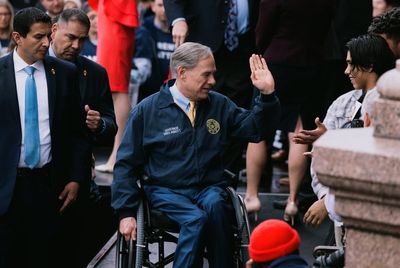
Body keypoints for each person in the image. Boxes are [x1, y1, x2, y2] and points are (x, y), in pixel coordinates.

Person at [112, 42, 280, 268]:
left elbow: (255, 130)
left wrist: (266, 95)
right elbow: (126, 164)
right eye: (206, 74)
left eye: (214, 74)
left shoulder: (219, 105)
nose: (213, 81)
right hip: (165, 191)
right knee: (195, 218)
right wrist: (126, 212)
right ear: (182, 73)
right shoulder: (147, 111)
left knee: (216, 207)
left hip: (208, 188)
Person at [0, 7, 90, 268]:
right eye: (38, 37)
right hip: (7, 187)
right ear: (18, 37)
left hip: (49, 186)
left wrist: (76, 178)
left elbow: (77, 131)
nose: (46, 43)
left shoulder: (64, 73)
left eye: (47, 36)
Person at [245, 0, 335, 224]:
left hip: (276, 62)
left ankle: (252, 196)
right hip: (311, 64)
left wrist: (261, 52)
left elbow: (262, 31)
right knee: (299, 132)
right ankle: (293, 201)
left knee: (258, 129)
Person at [292, 34, 395, 227]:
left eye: (351, 64)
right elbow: (320, 160)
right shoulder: (343, 103)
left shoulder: (387, 104)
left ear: (369, 65)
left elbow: (370, 165)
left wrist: (328, 202)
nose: (346, 71)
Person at [91, 0, 138, 173]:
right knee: (115, 89)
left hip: (115, 16)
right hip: (110, 15)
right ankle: (118, 154)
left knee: (118, 89)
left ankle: (119, 154)